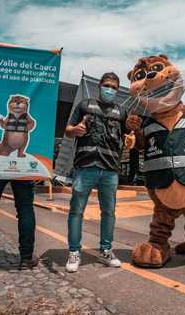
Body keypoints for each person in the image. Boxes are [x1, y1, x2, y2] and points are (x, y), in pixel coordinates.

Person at [64, 72, 135, 273]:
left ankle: (106, 250)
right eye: (106, 85)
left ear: (118, 90)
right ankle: (74, 252)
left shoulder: (122, 112)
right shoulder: (85, 105)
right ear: (99, 86)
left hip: (110, 169)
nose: (109, 90)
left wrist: (131, 140)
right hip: (85, 167)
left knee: (109, 212)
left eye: (113, 87)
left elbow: (129, 135)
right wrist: (74, 130)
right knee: (77, 210)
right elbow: (68, 129)